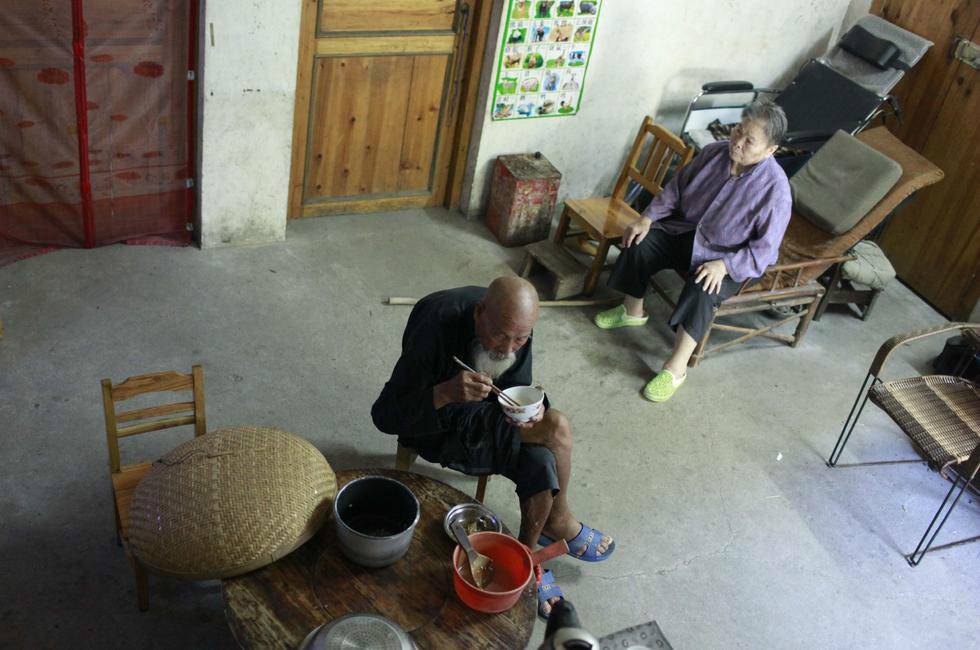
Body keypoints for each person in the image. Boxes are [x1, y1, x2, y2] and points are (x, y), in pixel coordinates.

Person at [372, 277, 614, 618]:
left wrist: (532, 409)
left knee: (542, 457)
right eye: (500, 335)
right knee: (556, 428)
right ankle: (558, 521)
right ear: (479, 313)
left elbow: (515, 389)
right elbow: (385, 415)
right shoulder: (435, 325)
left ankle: (526, 557)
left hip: (487, 419)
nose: (508, 348)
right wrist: (444, 393)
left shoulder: (517, 328)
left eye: (520, 338)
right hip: (436, 425)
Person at [595, 100, 792, 402]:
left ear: (770, 150)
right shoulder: (714, 152)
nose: (737, 142)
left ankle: (676, 368)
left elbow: (763, 252)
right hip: (689, 231)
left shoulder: (775, 190)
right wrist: (647, 218)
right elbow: (676, 188)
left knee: (704, 288)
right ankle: (632, 311)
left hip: (730, 257)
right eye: (738, 130)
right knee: (640, 240)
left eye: (749, 140)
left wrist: (724, 266)